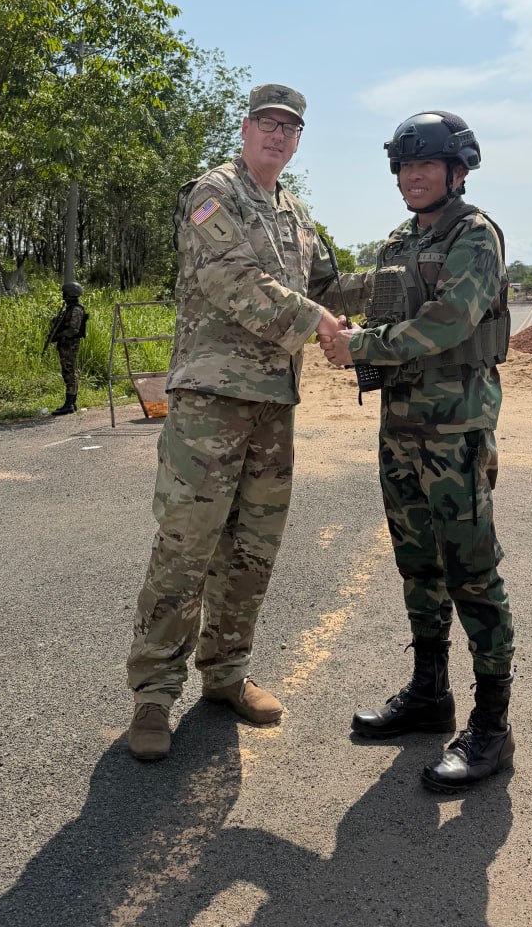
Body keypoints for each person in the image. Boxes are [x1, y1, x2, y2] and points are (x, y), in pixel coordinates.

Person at [125, 84, 367, 761]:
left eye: (291, 127)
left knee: (252, 549)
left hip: (272, 405)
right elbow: (231, 279)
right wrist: (320, 323)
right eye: (268, 122)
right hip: (211, 400)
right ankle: (153, 694)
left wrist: (406, 279)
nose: (278, 135)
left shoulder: (295, 213)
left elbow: (328, 288)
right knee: (187, 545)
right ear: (245, 127)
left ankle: (226, 674)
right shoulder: (213, 193)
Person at [320, 111, 515, 792]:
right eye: (405, 166)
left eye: (427, 164)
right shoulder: (400, 241)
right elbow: (365, 295)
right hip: (401, 428)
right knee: (418, 565)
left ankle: (493, 726)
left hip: (456, 431)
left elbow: (449, 320)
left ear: (458, 171)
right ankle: (430, 694)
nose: (413, 175)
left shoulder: (475, 235)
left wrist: (360, 346)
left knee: (471, 571)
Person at [45, 282, 88, 415]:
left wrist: (59, 335)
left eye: (65, 293)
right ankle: (71, 403)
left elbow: (73, 329)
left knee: (69, 373)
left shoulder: (76, 310)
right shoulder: (70, 308)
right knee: (68, 372)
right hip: (66, 344)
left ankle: (69, 404)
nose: (63, 295)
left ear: (69, 294)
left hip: (69, 345)